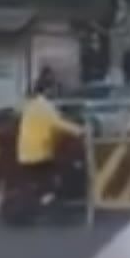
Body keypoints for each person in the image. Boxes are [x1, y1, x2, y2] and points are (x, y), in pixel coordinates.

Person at [14, 76, 84, 218]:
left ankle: (41, 200)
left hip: (26, 151)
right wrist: (80, 131)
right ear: (47, 90)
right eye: (53, 89)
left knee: (43, 179)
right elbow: (57, 122)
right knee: (53, 178)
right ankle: (46, 204)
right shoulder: (44, 106)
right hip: (39, 152)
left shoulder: (32, 104)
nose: (55, 92)